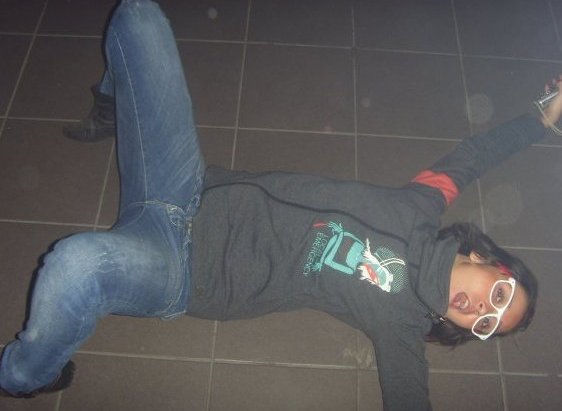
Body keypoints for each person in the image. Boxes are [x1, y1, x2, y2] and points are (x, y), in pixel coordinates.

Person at [1, 0, 561, 409]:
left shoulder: (400, 325)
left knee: (75, 264)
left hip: (181, 269)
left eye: (487, 324)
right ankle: (112, 107)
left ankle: (25, 376)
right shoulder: (423, 202)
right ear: (487, 260)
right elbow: (475, 156)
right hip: (184, 185)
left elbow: (409, 398)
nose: (480, 309)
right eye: (498, 295)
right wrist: (544, 118)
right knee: (138, 17)